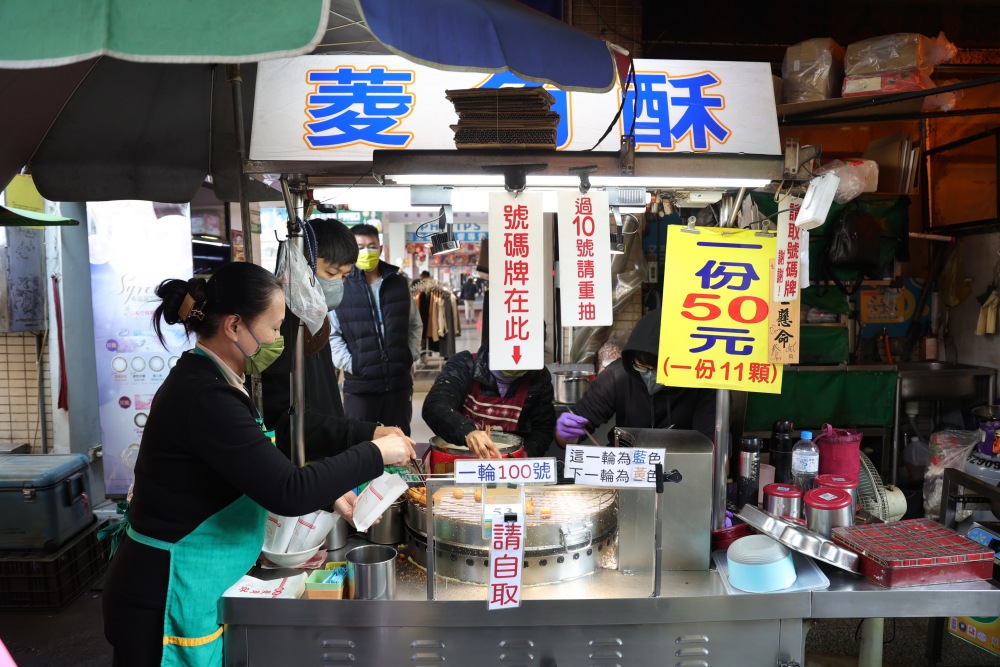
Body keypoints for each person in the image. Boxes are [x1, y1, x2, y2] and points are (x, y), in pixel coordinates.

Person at [102, 262, 415, 666]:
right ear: (234, 326)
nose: (277, 339)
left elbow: (263, 451)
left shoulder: (217, 380)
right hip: (164, 591)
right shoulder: (205, 396)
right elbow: (288, 490)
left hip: (198, 580)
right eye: (273, 327)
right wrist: (377, 453)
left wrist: (349, 459)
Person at [260, 218, 411, 522]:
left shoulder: (315, 319)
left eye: (344, 276)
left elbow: (321, 402)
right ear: (300, 265)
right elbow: (286, 425)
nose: (338, 285)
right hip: (297, 478)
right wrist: (368, 434)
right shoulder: (277, 331)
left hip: (323, 466)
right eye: (330, 273)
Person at [555, 309, 716, 446]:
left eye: (658, 370)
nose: (650, 375)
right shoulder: (617, 376)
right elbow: (566, 439)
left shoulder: (701, 383)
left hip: (681, 470)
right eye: (642, 366)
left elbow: (708, 446)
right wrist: (566, 434)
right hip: (625, 468)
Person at [329, 224, 422, 435]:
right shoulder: (339, 285)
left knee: (399, 443)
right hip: (361, 388)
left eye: (371, 246)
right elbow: (332, 334)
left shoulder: (398, 283)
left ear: (380, 249)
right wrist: (353, 364)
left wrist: (411, 354)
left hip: (398, 385)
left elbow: (415, 324)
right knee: (360, 445)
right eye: (360, 247)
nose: (366, 251)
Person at [422, 341, 556, 458]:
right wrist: (467, 432)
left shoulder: (539, 377)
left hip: (511, 466)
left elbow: (543, 429)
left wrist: (522, 457)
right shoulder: (464, 365)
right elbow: (435, 405)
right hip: (461, 460)